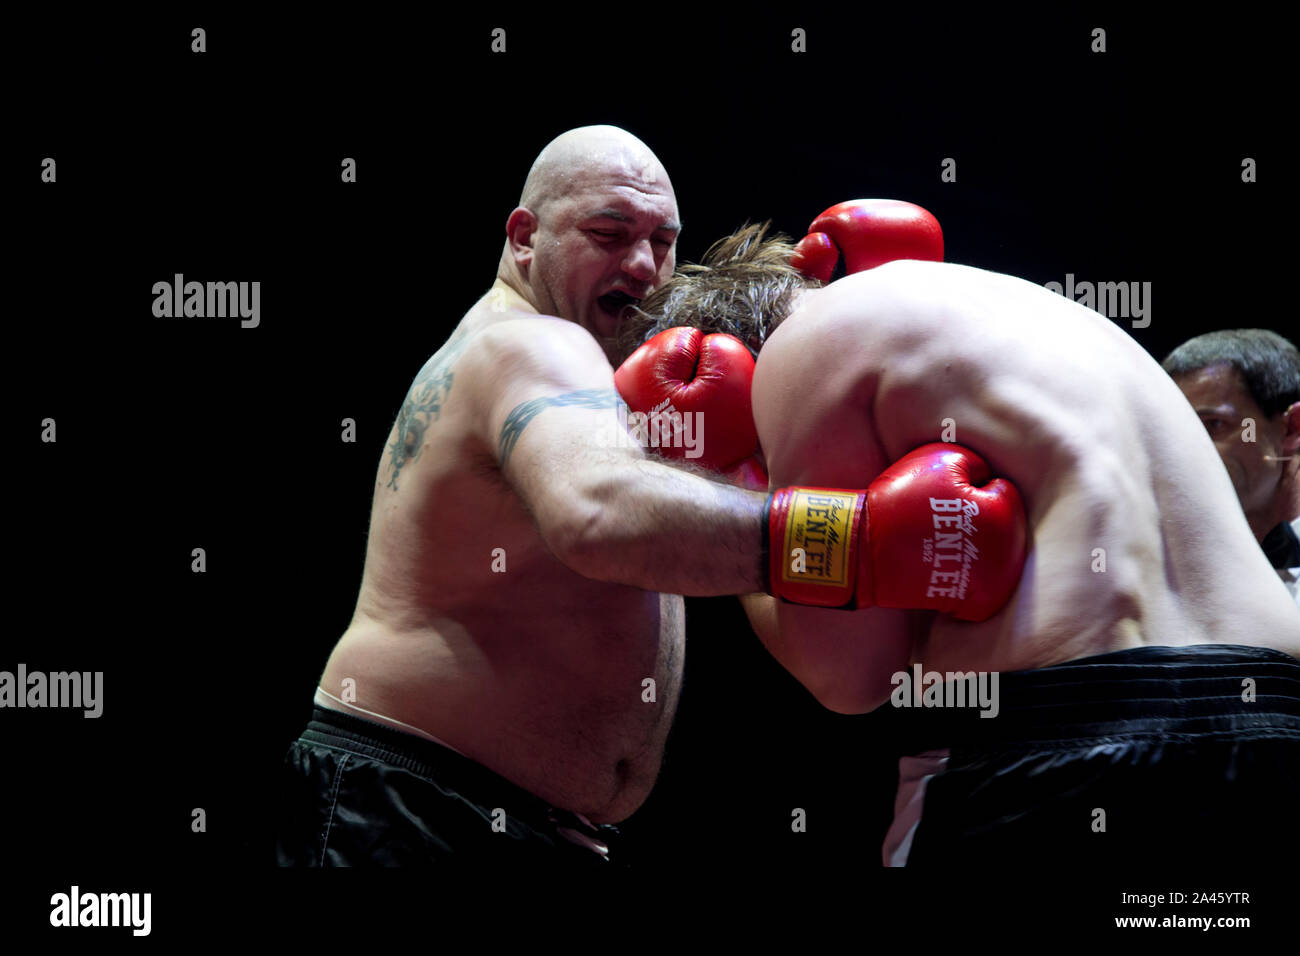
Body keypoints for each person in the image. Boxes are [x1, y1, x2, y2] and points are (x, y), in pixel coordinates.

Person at [271, 133, 1021, 867]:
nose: (642, 264)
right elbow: (596, 516)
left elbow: (788, 619)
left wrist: (760, 475)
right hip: (413, 806)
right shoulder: (529, 346)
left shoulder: (619, 396)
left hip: (503, 816)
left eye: (663, 240)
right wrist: (859, 541)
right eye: (608, 233)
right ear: (525, 238)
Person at [622, 218, 1300, 865]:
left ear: (729, 361)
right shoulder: (1032, 313)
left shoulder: (806, 347)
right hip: (1276, 715)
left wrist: (732, 481)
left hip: (1078, 740)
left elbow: (848, 676)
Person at [1162, 330, 1300, 603]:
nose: (1185, 451)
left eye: (1214, 425)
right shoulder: (1162, 569)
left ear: (1292, 428)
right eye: (1176, 429)